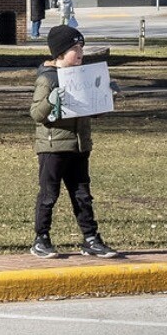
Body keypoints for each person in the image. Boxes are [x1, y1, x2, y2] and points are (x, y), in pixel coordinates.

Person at [28, 24, 117, 259]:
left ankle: (91, 238)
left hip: (78, 145)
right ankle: (41, 238)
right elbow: (36, 113)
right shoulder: (48, 79)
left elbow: (93, 111)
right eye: (74, 49)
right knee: (49, 194)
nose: (80, 53)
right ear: (60, 52)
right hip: (53, 146)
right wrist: (50, 100)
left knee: (82, 195)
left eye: (81, 48)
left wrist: (106, 95)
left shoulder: (83, 77)